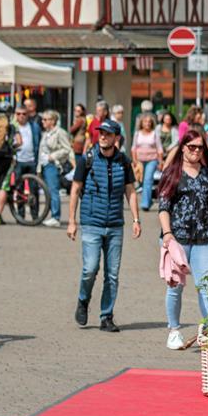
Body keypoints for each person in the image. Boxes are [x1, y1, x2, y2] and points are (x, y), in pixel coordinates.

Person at [158, 129, 208, 349]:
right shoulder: (173, 173)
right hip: (178, 239)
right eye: (192, 147)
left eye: (200, 147)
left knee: (207, 286)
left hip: (203, 239)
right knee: (175, 287)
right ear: (182, 147)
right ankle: (174, 330)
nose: (196, 151)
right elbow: (163, 207)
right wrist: (167, 233)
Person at [67, 119, 141, 332]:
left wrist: (136, 220)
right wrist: (72, 221)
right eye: (101, 133)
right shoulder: (87, 159)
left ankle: (106, 316)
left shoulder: (124, 161)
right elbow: (75, 189)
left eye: (108, 134)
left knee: (113, 274)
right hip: (91, 223)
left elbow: (130, 191)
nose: (103, 136)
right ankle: (83, 299)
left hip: (116, 225)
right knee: (90, 269)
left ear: (116, 138)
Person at [38, 110, 74, 227]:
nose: (42, 121)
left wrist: (52, 156)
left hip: (54, 165)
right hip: (45, 165)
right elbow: (41, 151)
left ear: (52, 121)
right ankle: (52, 215)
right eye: (42, 119)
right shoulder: (45, 133)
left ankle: (56, 217)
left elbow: (67, 149)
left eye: (45, 119)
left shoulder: (60, 132)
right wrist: (39, 168)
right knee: (48, 191)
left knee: (54, 191)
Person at [132, 113, 165, 212]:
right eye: (145, 122)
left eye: (149, 122)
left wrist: (160, 162)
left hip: (152, 159)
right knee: (141, 182)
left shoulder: (154, 134)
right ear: (141, 123)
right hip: (140, 161)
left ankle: (145, 204)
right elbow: (133, 148)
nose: (148, 124)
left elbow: (159, 149)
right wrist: (134, 160)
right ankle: (149, 200)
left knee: (148, 180)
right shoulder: (137, 133)